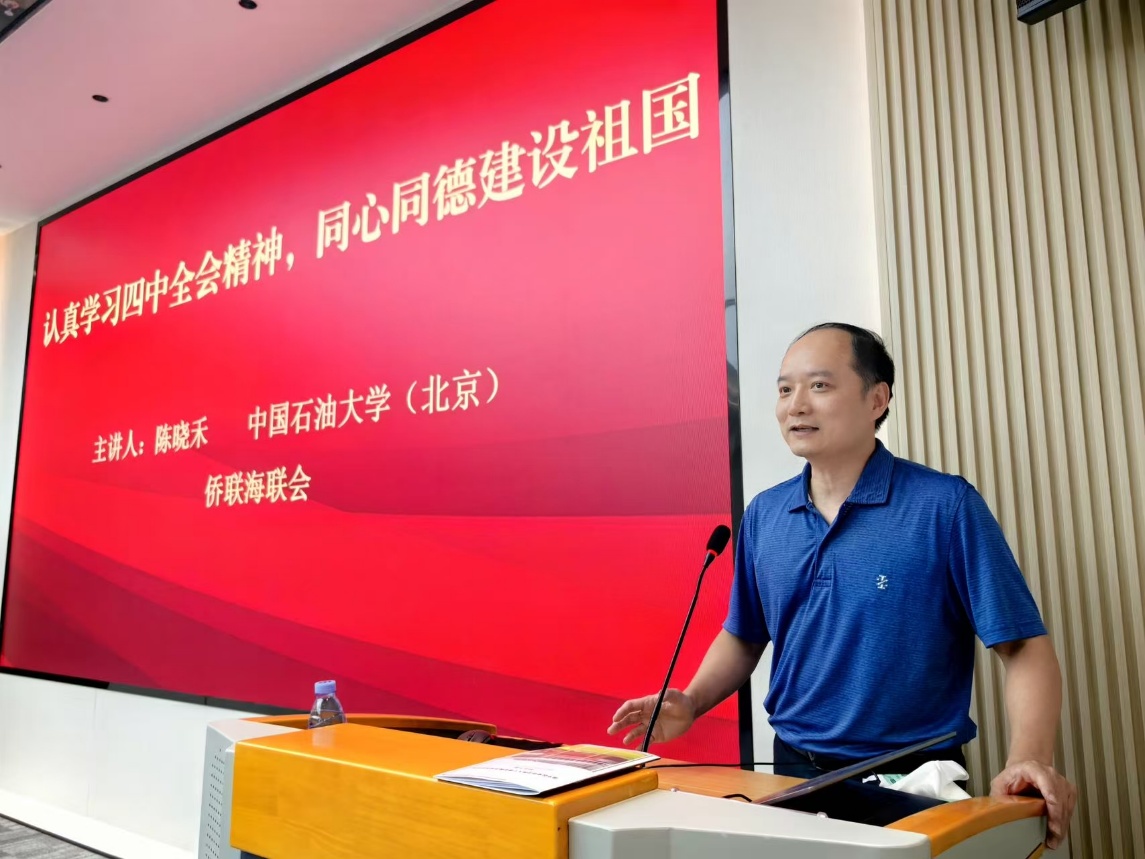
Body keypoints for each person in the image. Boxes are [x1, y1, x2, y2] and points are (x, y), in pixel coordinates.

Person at [608, 323, 1076, 849]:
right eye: (785, 389)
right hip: (789, 772)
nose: (795, 405)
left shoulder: (944, 506)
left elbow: (1023, 647)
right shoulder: (765, 514)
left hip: (911, 780)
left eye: (819, 386)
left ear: (877, 399)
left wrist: (1028, 758)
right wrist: (692, 701)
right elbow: (743, 636)